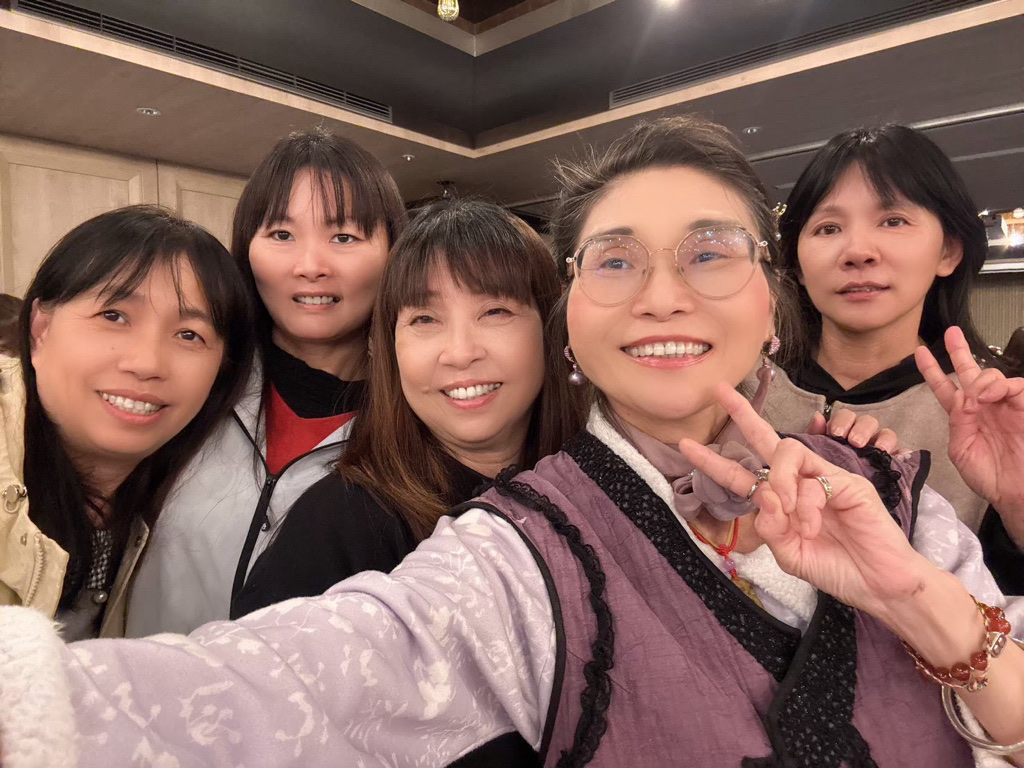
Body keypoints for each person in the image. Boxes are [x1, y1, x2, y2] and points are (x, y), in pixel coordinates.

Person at [3, 117, 1024, 768]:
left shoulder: (884, 491)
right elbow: (272, 687)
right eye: (614, 260)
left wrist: (919, 602)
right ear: (571, 318)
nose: (662, 294)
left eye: (710, 253)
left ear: (770, 299)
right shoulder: (521, 549)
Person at [232, 199, 583, 619]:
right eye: (425, 320)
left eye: (495, 312)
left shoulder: (598, 487)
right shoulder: (338, 523)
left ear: (551, 328)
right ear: (389, 348)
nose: (460, 353)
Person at [123, 128, 408, 636]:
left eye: (344, 237)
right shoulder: (192, 388)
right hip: (140, 682)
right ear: (247, 249)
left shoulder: (418, 425)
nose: (310, 266)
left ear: (393, 254)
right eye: (281, 234)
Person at [768, 125, 1024, 592]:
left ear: (948, 251)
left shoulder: (992, 409)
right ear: (798, 267)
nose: (858, 252)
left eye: (893, 221)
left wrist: (1016, 504)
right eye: (828, 228)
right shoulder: (749, 389)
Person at [0, 205, 253, 640]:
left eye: (189, 335)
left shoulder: (187, 498)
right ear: (41, 329)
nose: (147, 363)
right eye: (114, 316)